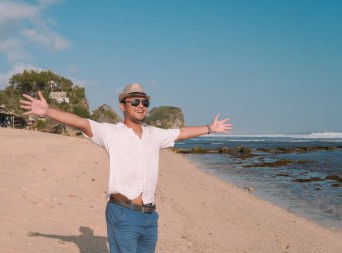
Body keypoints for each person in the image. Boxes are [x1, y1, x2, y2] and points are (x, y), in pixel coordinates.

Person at [20, 83, 233, 253]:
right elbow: (81, 122)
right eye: (135, 101)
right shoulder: (111, 133)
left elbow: (181, 132)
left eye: (145, 102)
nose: (141, 105)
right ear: (123, 106)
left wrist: (209, 128)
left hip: (150, 216)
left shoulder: (154, 135)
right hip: (123, 212)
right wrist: (48, 111)